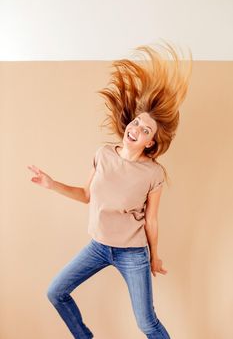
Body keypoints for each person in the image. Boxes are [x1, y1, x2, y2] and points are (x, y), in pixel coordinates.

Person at [27, 40, 192, 338]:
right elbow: (86, 195)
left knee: (147, 323)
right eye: (137, 123)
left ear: (150, 142)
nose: (137, 129)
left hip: (133, 253)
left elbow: (151, 221)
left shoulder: (153, 173)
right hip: (98, 247)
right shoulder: (103, 154)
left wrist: (154, 257)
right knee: (56, 292)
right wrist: (51, 184)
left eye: (146, 130)